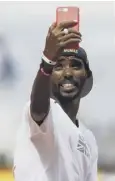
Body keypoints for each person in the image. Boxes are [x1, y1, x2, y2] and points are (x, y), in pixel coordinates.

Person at [13, 20, 98, 181]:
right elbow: (38, 110)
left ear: (86, 75)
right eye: (58, 67)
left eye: (75, 65)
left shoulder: (89, 138)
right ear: (50, 77)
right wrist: (47, 60)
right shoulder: (44, 114)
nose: (67, 73)